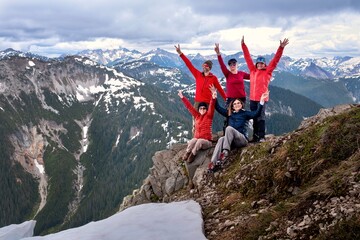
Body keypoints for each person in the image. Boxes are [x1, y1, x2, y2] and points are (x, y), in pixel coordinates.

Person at [208, 88, 269, 173]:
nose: (237, 105)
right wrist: (214, 97)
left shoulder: (245, 113)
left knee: (229, 128)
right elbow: (218, 108)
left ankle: (225, 152)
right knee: (221, 139)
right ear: (232, 106)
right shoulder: (229, 113)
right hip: (232, 141)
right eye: (235, 104)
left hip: (242, 139)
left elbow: (256, 113)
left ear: (241, 104)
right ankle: (213, 163)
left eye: (238, 103)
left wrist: (261, 101)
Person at [241, 36, 289, 142]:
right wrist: (243, 46)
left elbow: (275, 60)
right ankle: (255, 136)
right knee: (254, 117)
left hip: (262, 99)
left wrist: (281, 48)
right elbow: (247, 58)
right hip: (253, 99)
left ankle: (261, 137)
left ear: (264, 64)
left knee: (261, 118)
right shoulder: (252, 70)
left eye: (262, 63)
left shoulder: (268, 71)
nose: (260, 65)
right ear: (256, 64)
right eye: (258, 63)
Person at [178, 85, 216, 163]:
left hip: (206, 142)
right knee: (193, 140)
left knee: (199, 141)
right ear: (198, 109)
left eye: (204, 108)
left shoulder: (209, 116)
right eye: (201, 108)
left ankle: (193, 154)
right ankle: (188, 152)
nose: (202, 109)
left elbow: (211, 106)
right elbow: (189, 107)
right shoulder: (197, 116)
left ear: (206, 109)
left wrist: (213, 97)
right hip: (197, 140)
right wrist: (182, 97)